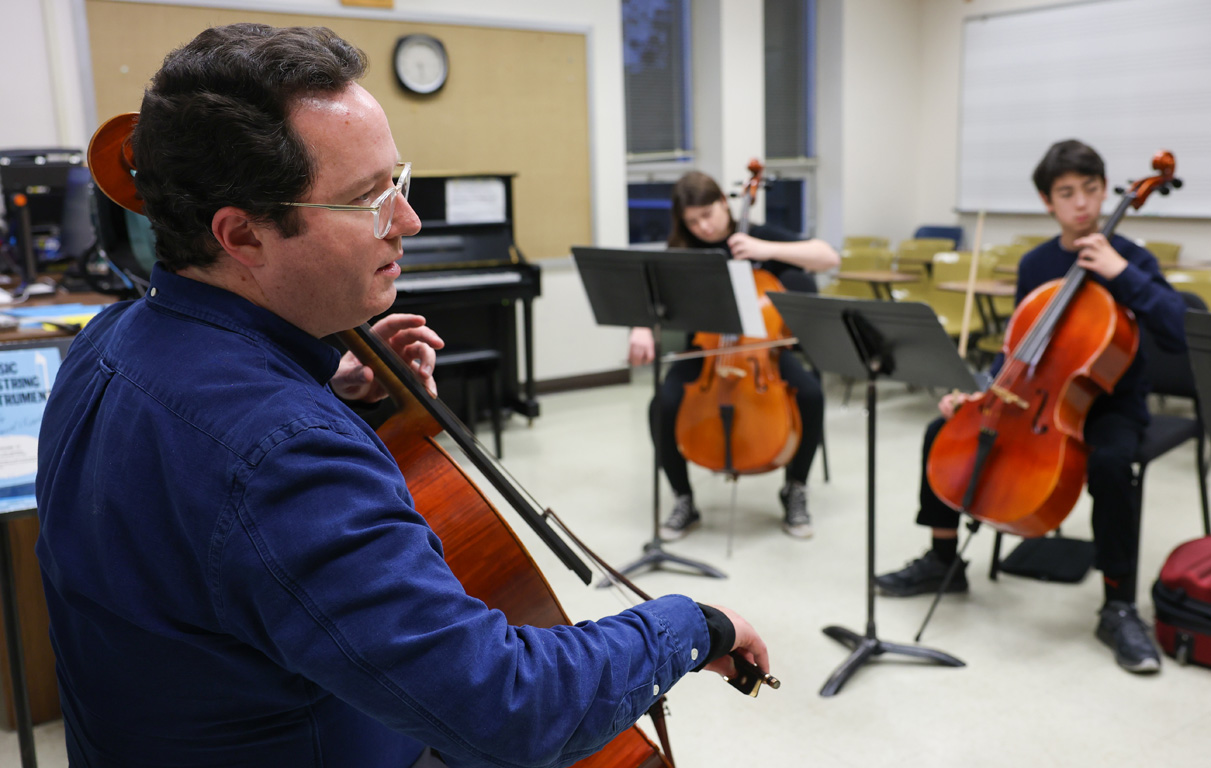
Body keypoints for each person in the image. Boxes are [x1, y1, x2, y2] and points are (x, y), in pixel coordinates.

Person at [34, 24, 769, 767]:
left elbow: (207, 519)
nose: (407, 221)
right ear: (242, 236)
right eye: (365, 200)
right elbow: (512, 707)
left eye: (397, 181)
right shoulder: (284, 457)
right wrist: (691, 624)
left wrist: (328, 389)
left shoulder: (104, 340)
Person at [874, 139, 1185, 674]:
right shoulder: (1038, 263)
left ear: (1107, 191)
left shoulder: (1131, 258)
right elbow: (1022, 348)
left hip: (1111, 404)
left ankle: (1117, 604)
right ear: (1048, 202)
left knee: (1111, 464)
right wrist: (982, 390)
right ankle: (943, 559)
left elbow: (1178, 330)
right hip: (1038, 398)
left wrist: (1121, 273)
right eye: (1068, 193)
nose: (1083, 204)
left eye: (1092, 190)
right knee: (941, 429)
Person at [628, 171, 840, 540]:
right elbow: (652, 295)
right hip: (705, 351)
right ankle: (684, 499)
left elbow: (827, 256)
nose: (703, 227)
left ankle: (795, 490)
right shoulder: (685, 249)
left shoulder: (759, 237)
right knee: (661, 404)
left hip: (760, 352)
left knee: (810, 393)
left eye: (708, 215)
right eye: (692, 221)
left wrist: (766, 250)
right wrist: (641, 326)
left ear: (725, 204)